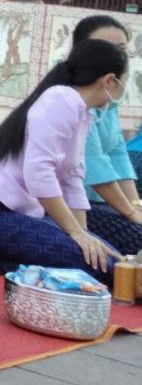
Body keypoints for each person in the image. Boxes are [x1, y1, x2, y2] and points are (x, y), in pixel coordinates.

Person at [0, 38, 127, 276]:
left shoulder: (83, 112)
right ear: (109, 80)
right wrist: (75, 233)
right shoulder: (62, 100)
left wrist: (84, 235)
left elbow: (72, 177)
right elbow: (39, 173)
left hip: (15, 211)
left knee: (110, 260)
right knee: (104, 268)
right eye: (123, 82)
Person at [71, 15, 142, 256]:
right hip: (71, 206)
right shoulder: (73, 100)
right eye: (105, 49)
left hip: (99, 201)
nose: (116, 57)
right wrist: (130, 213)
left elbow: (116, 151)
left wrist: (135, 206)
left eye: (121, 50)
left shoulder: (109, 98)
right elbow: (94, 164)